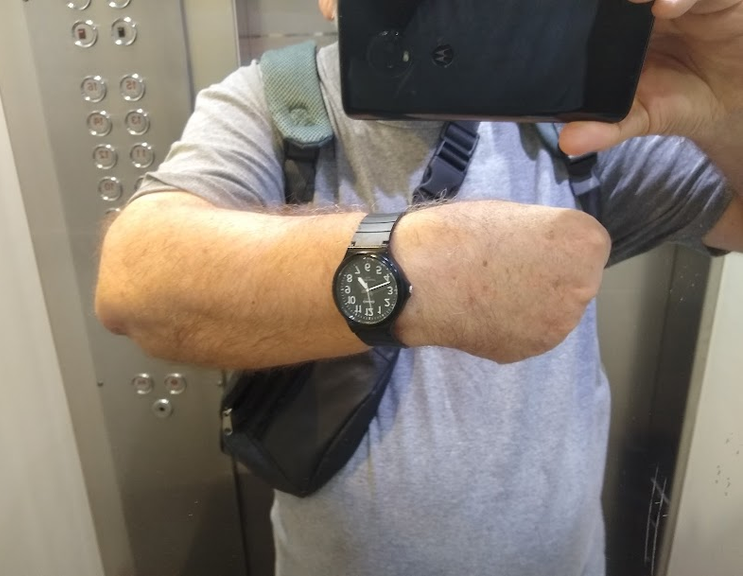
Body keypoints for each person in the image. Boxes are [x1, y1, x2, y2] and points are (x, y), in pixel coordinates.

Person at [95, 0, 743, 574]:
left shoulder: (583, 126)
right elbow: (135, 283)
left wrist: (728, 105)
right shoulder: (276, 102)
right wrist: (421, 268)